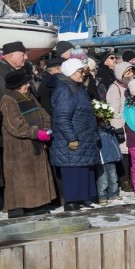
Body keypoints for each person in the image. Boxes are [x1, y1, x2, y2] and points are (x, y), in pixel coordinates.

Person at [0, 69, 56, 217]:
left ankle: (35, 205)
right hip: (19, 148)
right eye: (25, 84)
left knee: (34, 177)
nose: (28, 86)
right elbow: (14, 126)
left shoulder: (29, 96)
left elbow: (43, 113)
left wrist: (47, 128)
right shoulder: (8, 100)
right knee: (21, 179)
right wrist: (36, 132)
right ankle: (17, 207)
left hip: (35, 145)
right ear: (17, 85)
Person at [49, 59, 100, 211]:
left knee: (83, 167)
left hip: (83, 134)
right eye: (79, 72)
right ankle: (72, 200)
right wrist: (71, 137)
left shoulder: (77, 87)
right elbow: (62, 117)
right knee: (73, 168)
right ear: (70, 72)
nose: (82, 75)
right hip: (73, 136)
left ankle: (82, 197)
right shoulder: (65, 90)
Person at [107, 61, 135, 193]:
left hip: (134, 124)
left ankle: (134, 178)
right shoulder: (115, 88)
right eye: (127, 72)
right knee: (124, 154)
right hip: (123, 125)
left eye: (132, 71)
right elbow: (113, 111)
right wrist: (118, 128)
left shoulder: (133, 85)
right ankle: (124, 179)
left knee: (134, 152)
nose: (130, 74)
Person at [0, 41, 27, 109]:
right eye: (23, 55)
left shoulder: (9, 70)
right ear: (11, 56)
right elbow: (6, 97)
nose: (26, 57)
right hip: (7, 115)